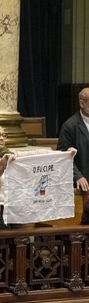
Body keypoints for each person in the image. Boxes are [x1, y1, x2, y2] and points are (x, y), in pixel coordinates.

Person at [0, 124, 52, 230]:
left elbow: (33, 154)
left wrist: (61, 153)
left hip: (16, 207)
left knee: (21, 242)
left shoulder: (10, 154)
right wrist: (2, 161)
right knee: (1, 244)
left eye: (4, 135)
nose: (1, 138)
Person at [57, 87, 89, 224]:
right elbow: (63, 156)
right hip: (84, 181)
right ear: (82, 103)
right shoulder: (70, 125)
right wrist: (78, 176)